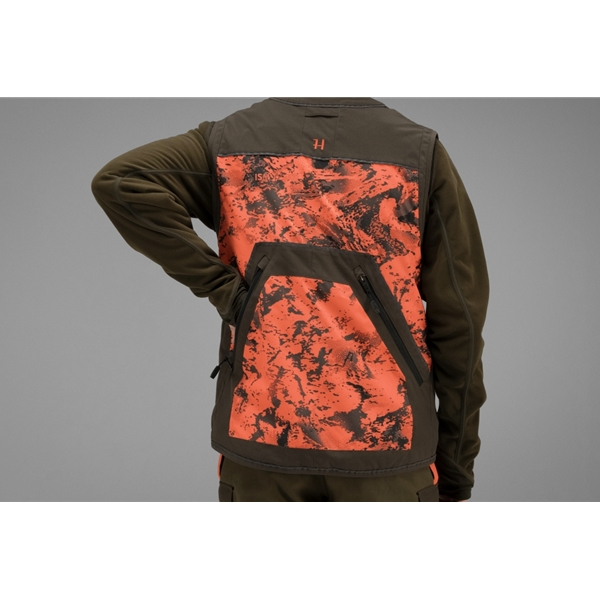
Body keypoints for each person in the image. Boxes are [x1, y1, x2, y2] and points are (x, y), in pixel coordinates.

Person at [91, 97, 489, 502]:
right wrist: (456, 468)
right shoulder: (417, 153)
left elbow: (122, 183)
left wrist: (228, 293)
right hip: (387, 447)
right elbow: (461, 323)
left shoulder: (230, 142)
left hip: (260, 438)